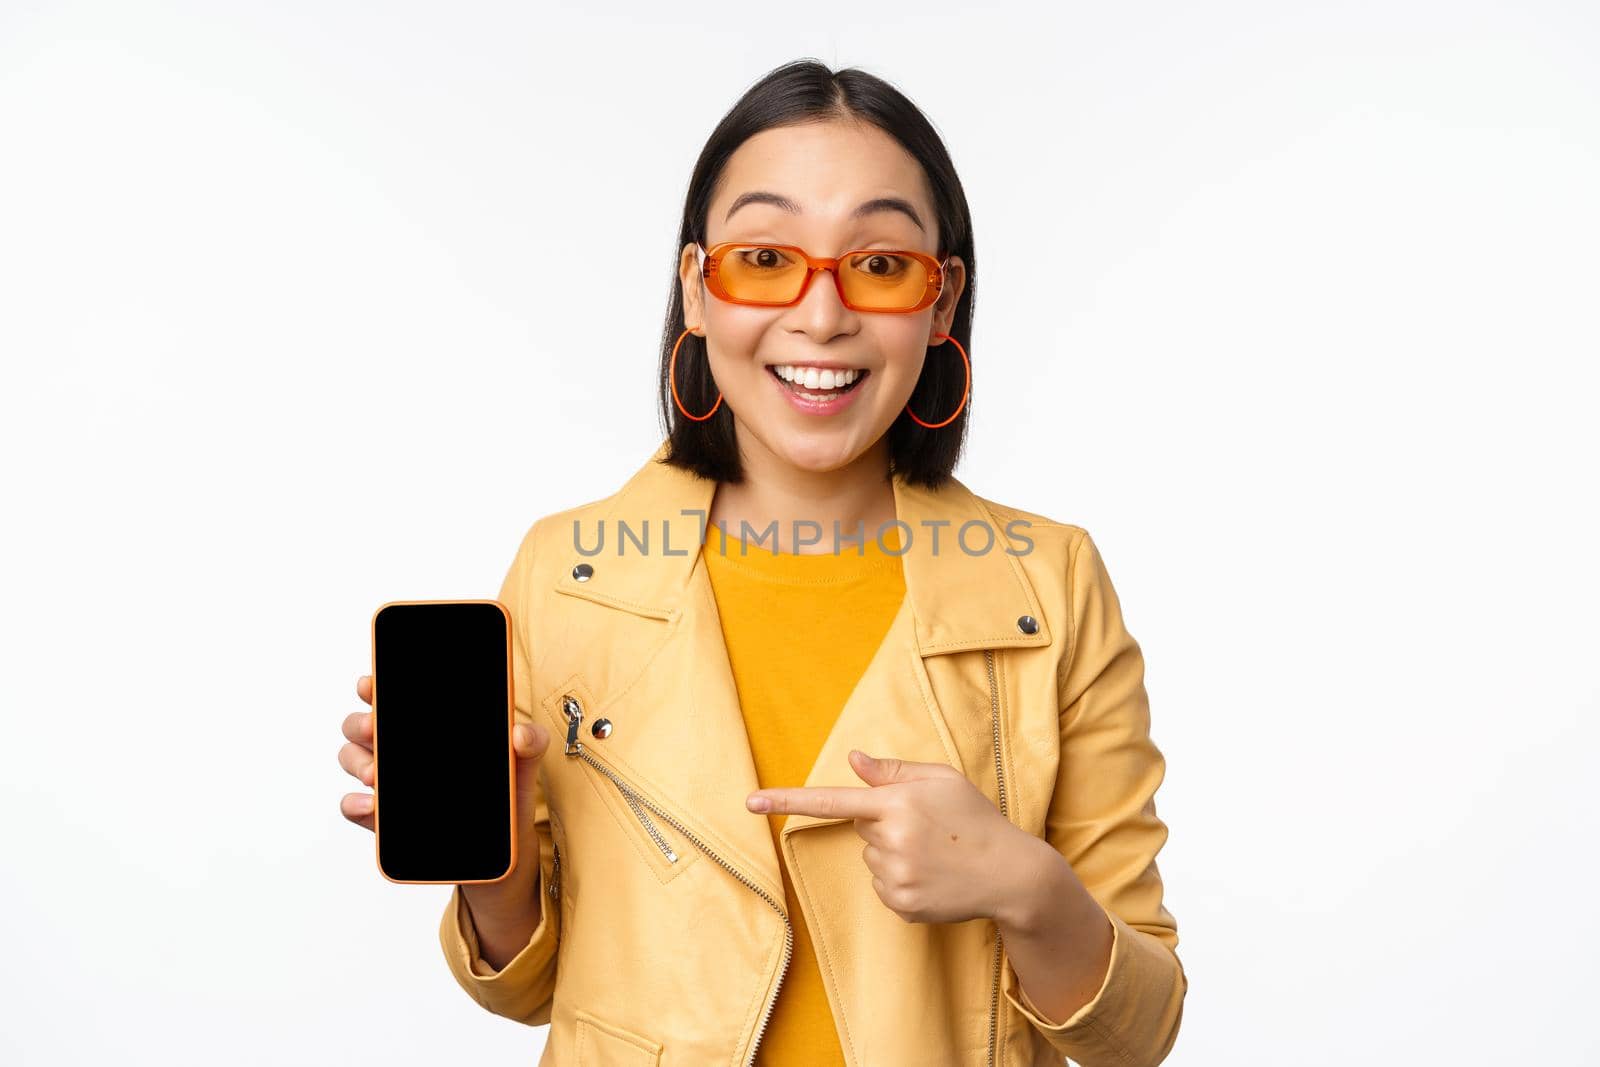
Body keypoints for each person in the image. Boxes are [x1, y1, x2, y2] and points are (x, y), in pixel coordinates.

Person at [338, 58, 1186, 1066]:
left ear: (940, 300)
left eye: (877, 264)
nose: (820, 316)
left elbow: (1138, 1032)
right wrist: (499, 870)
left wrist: (1025, 885)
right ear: (697, 288)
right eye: (765, 258)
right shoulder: (567, 570)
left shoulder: (1048, 580)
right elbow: (528, 987)